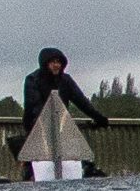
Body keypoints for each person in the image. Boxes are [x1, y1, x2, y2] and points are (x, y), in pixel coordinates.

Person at [18, 46, 102, 180]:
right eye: (53, 62)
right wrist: (34, 130)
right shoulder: (33, 80)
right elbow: (33, 108)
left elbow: (81, 101)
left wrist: (98, 117)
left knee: (73, 167)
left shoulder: (65, 80)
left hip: (63, 130)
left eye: (59, 62)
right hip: (40, 132)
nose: (57, 65)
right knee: (42, 171)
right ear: (45, 63)